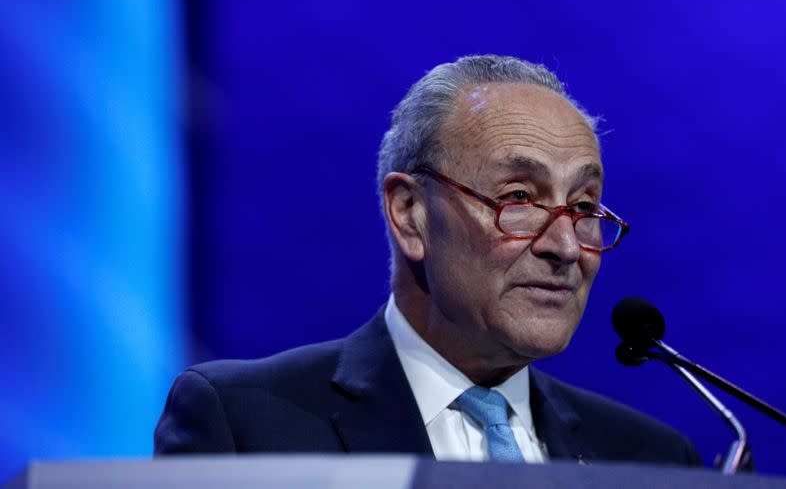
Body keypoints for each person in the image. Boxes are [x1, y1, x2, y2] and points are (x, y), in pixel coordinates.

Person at [155, 55, 700, 465]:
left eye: (583, 206)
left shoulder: (650, 460)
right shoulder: (246, 425)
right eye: (518, 199)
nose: (564, 246)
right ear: (410, 213)